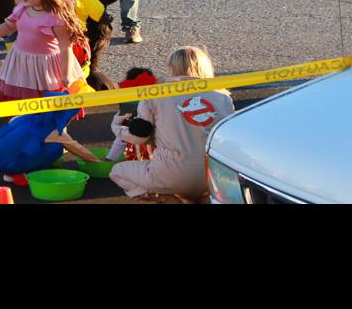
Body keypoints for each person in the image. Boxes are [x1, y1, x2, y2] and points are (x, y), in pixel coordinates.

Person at [55, 46, 233, 201]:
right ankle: (200, 197)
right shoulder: (223, 97)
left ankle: (167, 199)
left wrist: (116, 128)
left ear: (172, 68)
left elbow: (139, 137)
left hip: (172, 174)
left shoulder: (156, 94)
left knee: (117, 172)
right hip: (215, 178)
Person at [0, 0, 84, 103]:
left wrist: (66, 74)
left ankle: (43, 120)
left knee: (46, 97)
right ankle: (23, 119)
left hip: (45, 64)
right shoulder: (22, 8)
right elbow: (9, 26)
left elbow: (65, 46)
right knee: (21, 91)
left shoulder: (55, 17)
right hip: (21, 58)